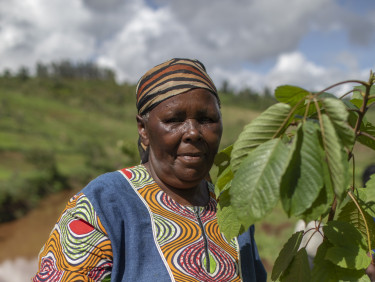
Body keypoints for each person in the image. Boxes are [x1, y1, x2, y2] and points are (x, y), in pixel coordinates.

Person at [33, 58, 267, 281]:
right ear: (143, 129)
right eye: (174, 120)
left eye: (207, 119)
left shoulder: (232, 209)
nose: (193, 132)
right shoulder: (104, 204)